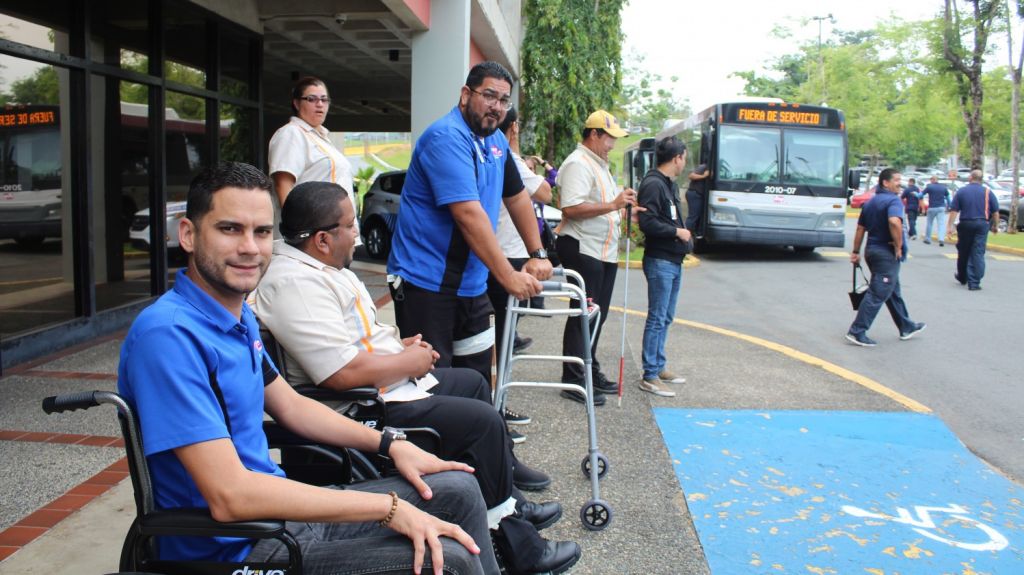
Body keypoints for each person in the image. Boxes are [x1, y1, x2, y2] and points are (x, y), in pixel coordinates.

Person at [117, 162, 498, 575]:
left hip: (281, 519)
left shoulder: (236, 317)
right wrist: (387, 508)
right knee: (450, 562)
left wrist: (391, 444)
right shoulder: (169, 337)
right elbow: (231, 496)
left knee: (461, 489)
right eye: (230, 229)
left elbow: (292, 407)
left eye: (262, 232)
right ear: (188, 235)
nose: (250, 247)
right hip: (239, 551)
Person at [252, 182, 580, 575]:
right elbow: (341, 374)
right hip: (360, 406)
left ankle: (506, 500)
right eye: (351, 225)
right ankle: (517, 544)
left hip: (381, 385)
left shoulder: (318, 267)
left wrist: (398, 346)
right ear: (323, 239)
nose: (358, 233)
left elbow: (349, 340)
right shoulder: (294, 283)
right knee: (482, 423)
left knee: (474, 385)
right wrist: (408, 362)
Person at [387, 62, 552, 384]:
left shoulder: (496, 142)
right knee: (434, 384)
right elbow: (467, 213)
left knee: (475, 378)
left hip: (472, 285)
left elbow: (517, 196)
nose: (497, 107)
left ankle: (482, 430)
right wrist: (507, 276)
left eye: (504, 100)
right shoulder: (446, 137)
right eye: (489, 95)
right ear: (465, 94)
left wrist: (538, 253)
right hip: (427, 284)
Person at [554, 110, 639, 405]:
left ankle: (588, 370)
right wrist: (613, 204)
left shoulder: (599, 164)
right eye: (609, 138)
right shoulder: (578, 163)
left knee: (596, 315)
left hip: (602, 249)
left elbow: (604, 204)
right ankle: (573, 378)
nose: (612, 144)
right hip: (582, 246)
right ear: (593, 134)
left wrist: (622, 205)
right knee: (584, 314)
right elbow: (571, 208)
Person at [486, 106, 553, 373]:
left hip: (497, 251)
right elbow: (546, 192)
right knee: (502, 334)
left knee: (500, 332)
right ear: (513, 127)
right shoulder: (507, 158)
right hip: (507, 255)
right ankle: (497, 404)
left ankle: (495, 400)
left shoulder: (493, 155)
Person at [845, 168, 926, 347]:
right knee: (878, 292)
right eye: (896, 180)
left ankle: (906, 326)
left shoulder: (871, 202)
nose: (900, 183)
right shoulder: (893, 201)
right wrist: (898, 246)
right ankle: (857, 331)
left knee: (892, 291)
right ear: (885, 183)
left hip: (871, 251)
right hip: (885, 253)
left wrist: (856, 251)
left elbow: (860, 228)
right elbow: (894, 222)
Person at [636, 136, 691, 397]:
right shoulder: (653, 184)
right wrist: (676, 232)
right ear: (677, 157)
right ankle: (649, 374)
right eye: (684, 157)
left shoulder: (667, 184)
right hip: (660, 259)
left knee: (666, 316)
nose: (685, 162)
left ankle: (658, 364)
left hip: (673, 260)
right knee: (657, 317)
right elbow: (647, 223)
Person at [268, 76, 355, 212]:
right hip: (311, 229)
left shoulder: (322, 137)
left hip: (337, 228)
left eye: (324, 99)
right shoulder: (291, 133)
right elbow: (283, 185)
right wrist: (299, 229)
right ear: (296, 103)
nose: (320, 104)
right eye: (311, 99)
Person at [946, 169, 1000, 290]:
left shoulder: (962, 191)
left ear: (970, 178)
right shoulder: (987, 192)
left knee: (964, 251)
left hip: (966, 223)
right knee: (978, 252)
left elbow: (954, 210)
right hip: (982, 224)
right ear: (981, 180)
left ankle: (963, 276)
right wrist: (995, 226)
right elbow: (996, 212)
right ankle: (974, 281)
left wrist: (949, 226)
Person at [921, 175, 950, 245]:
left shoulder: (929, 187)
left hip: (932, 207)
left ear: (932, 180)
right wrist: (949, 206)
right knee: (941, 224)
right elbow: (948, 198)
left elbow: (920, 195)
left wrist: (915, 194)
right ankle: (941, 239)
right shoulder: (943, 187)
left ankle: (928, 239)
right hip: (941, 208)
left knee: (929, 223)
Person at [685, 162, 711, 236]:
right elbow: (691, 176)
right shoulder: (704, 167)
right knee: (693, 216)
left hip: (699, 194)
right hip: (695, 193)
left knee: (698, 216)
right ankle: (684, 235)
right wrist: (704, 176)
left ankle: (694, 234)